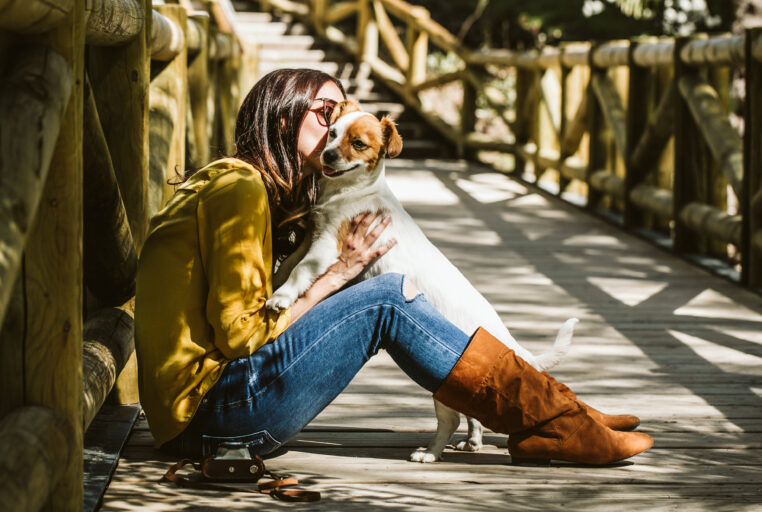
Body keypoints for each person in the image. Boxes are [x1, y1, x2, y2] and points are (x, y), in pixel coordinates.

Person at [134, 68, 653, 465]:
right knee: (387, 296)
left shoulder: (236, 183)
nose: (339, 124)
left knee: (387, 289)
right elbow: (240, 336)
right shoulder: (239, 189)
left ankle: (559, 413)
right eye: (326, 112)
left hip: (211, 409)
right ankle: (556, 421)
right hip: (214, 420)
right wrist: (339, 273)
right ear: (284, 116)